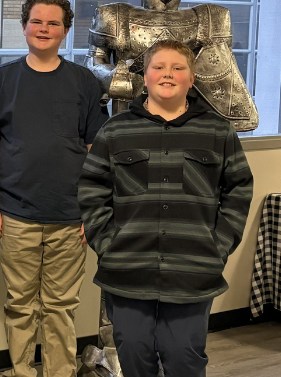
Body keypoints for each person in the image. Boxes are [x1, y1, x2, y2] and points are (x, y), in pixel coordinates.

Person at [79, 40, 254, 377]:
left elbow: (238, 189)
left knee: (184, 359)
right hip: (127, 270)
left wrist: (219, 246)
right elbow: (92, 190)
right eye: (158, 67)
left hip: (193, 271)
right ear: (144, 77)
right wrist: (108, 243)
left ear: (192, 78)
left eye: (178, 68)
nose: (167, 74)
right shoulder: (115, 130)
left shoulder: (218, 132)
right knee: (134, 357)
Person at [0, 0, 108, 377]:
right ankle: (22, 372)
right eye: (37, 21)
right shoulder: (1, 80)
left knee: (60, 307)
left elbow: (95, 153)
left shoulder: (85, 84)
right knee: (20, 304)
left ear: (65, 32)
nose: (44, 29)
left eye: (53, 23)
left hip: (70, 217)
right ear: (23, 27)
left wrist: (93, 209)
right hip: (16, 213)